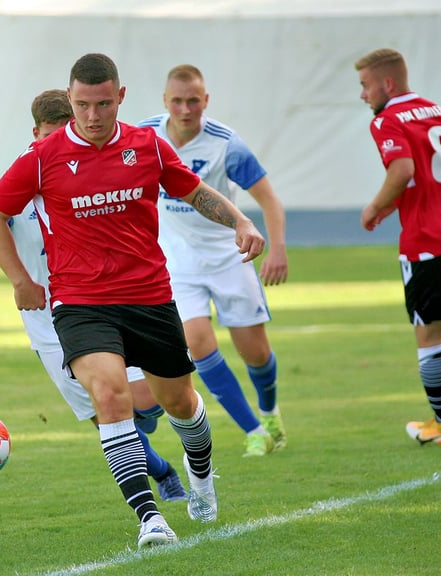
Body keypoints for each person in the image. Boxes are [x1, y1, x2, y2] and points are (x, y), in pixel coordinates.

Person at [0, 53, 265, 549]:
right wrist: (21, 281)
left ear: (121, 98)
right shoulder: (41, 158)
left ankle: (200, 478)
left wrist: (240, 221)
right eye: (84, 105)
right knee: (110, 398)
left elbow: (194, 191)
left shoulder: (147, 145)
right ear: (70, 100)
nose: (93, 116)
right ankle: (150, 518)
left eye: (103, 104)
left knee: (180, 403)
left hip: (149, 297)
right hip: (80, 302)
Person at [0, 89, 187, 502]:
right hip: (48, 323)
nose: (62, 144)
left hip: (105, 306)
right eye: (50, 134)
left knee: (142, 401)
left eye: (67, 132)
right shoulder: (19, 184)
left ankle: (150, 427)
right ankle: (163, 473)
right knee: (107, 417)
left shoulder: (91, 171)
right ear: (34, 133)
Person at [138, 65, 288, 457]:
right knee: (197, 343)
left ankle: (269, 409)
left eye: (193, 100)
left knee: (255, 353)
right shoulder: (144, 137)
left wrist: (277, 249)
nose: (185, 109)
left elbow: (268, 198)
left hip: (229, 256)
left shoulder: (226, 144)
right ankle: (254, 430)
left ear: (206, 101)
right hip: (176, 264)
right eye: (177, 100)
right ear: (164, 101)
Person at [355, 48, 441, 446]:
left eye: (365, 85)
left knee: (430, 335)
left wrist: (374, 207)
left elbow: (404, 170)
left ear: (387, 84)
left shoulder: (387, 120)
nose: (363, 95)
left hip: (428, 242)